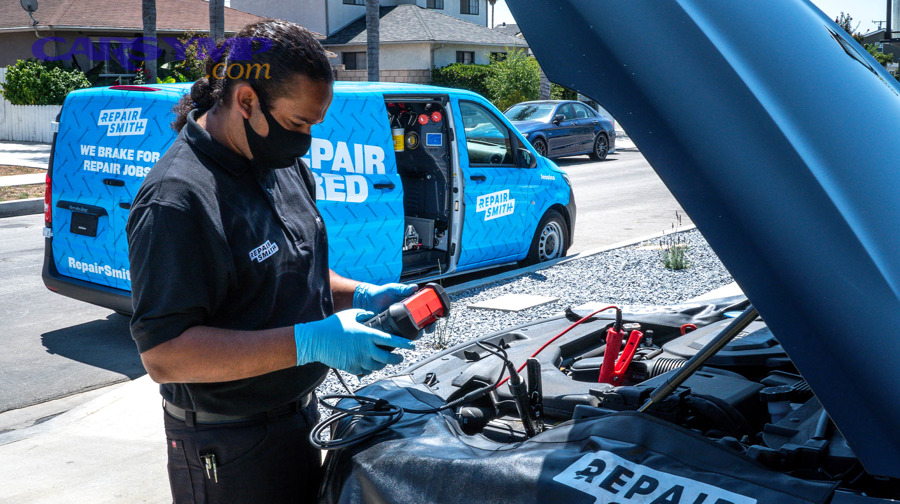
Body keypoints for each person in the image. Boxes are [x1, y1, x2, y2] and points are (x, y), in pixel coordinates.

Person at [126, 20, 416, 503]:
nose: (304, 140)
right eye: (299, 123)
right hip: (230, 444)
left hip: (299, 417)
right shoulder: (177, 199)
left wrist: (360, 293)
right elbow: (165, 355)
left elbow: (289, 264)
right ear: (246, 101)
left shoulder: (281, 166)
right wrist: (311, 341)